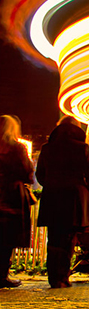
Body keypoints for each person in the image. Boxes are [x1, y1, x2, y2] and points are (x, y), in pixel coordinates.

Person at [36, 116, 89, 288]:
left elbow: (40, 175)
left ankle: (53, 277)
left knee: (54, 238)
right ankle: (63, 277)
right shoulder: (82, 148)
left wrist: (51, 184)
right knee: (69, 238)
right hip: (73, 198)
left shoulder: (47, 148)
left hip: (52, 197)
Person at [0, 115, 34, 288]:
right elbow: (27, 172)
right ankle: (2, 274)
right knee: (6, 240)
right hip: (11, 198)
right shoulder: (17, 148)